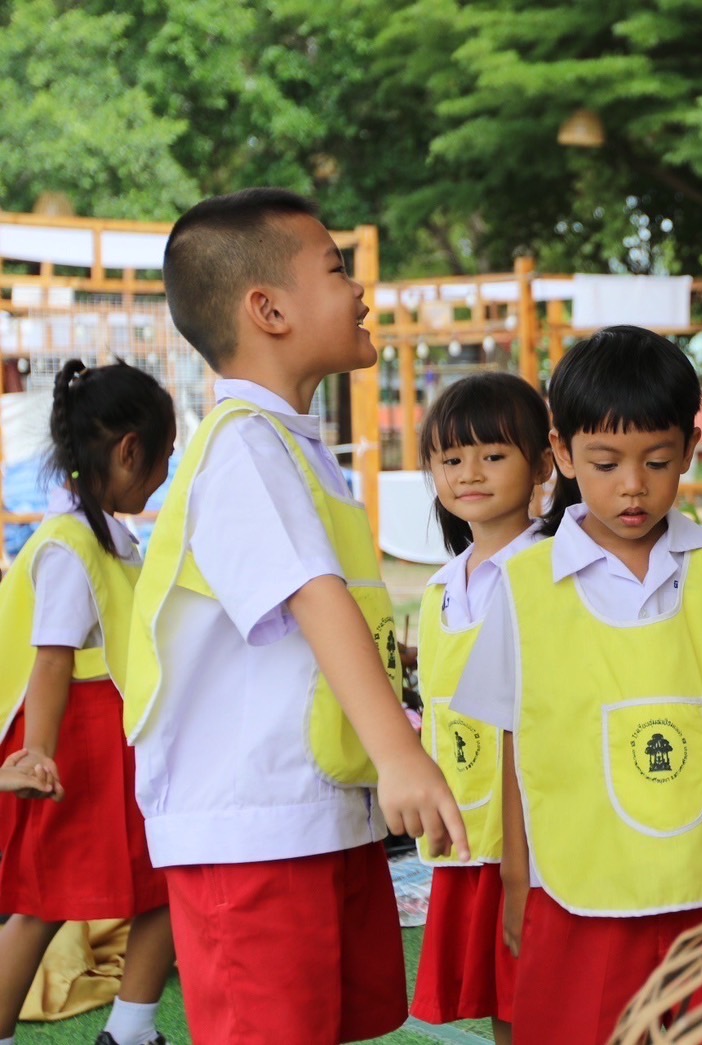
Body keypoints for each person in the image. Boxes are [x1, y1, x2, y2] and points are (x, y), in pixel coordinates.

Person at [125, 188, 468, 1044]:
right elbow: (315, 594)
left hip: (312, 813)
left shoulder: (289, 445)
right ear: (267, 308)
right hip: (254, 830)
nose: (359, 292)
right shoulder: (242, 443)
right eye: (337, 269)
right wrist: (401, 755)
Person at [452, 326, 702, 1045]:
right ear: (561, 452)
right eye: (606, 462)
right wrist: (518, 879)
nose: (633, 485)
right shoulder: (525, 588)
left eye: (658, 460)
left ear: (691, 448)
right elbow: (518, 747)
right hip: (578, 885)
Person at [0, 361, 177, 1045]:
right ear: (129, 450)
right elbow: (52, 656)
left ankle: (132, 1029)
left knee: (162, 878)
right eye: (161, 460)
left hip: (118, 738)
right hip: (80, 744)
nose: (163, 476)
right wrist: (38, 751)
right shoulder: (71, 544)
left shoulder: (106, 535)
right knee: (45, 901)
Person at [411, 373, 553, 1045]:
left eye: (493, 455)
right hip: (470, 832)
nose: (470, 472)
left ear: (543, 465)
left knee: (548, 989)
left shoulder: (552, 572)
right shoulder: (440, 587)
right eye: (450, 458)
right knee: (503, 995)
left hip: (540, 834)